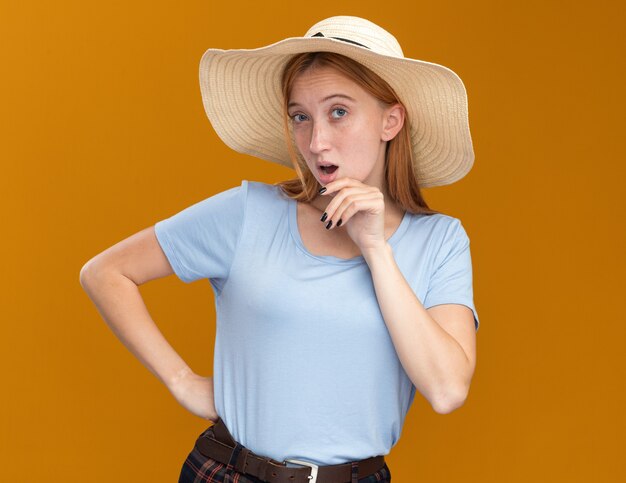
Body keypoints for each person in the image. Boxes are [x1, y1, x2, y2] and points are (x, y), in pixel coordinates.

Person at [80, 15, 480, 483]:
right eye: (300, 117)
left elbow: (447, 389)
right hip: (228, 472)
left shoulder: (440, 241)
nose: (316, 141)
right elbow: (105, 273)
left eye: (338, 112)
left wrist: (375, 249)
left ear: (390, 120)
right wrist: (181, 380)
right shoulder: (249, 212)